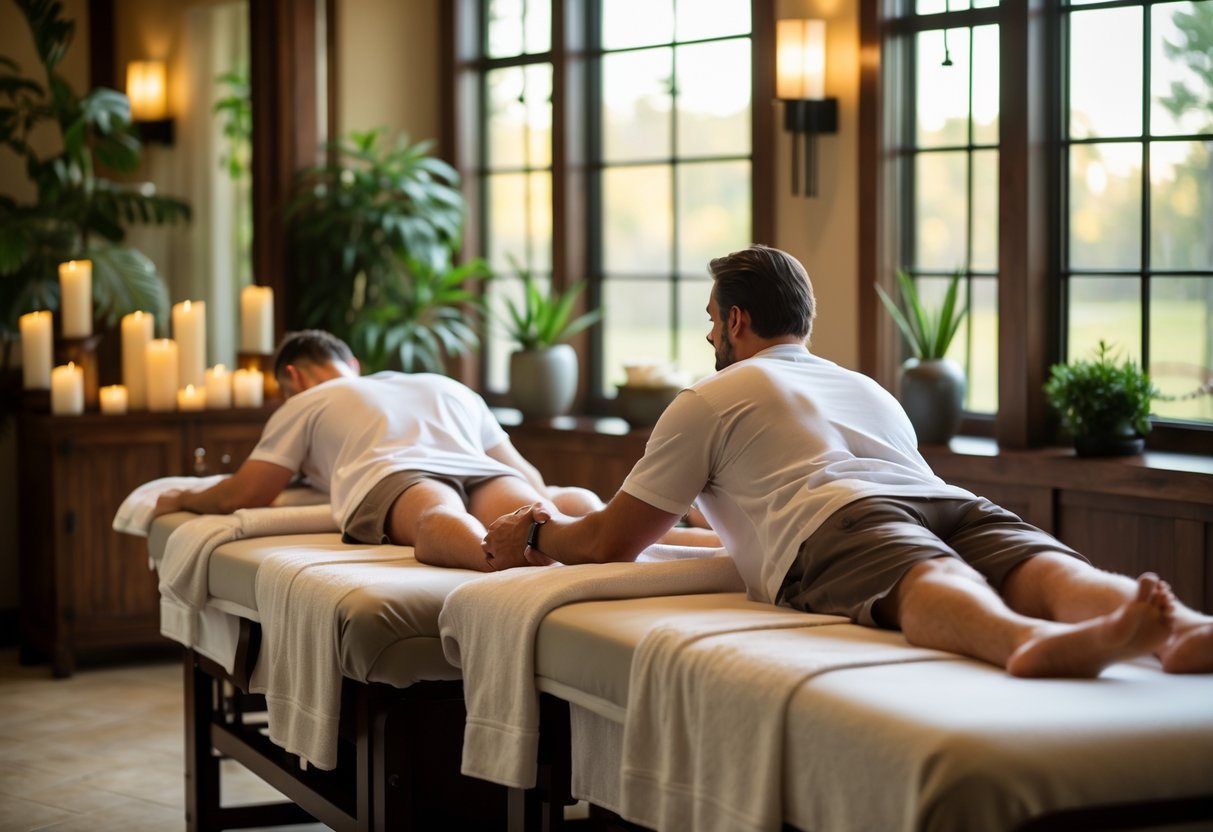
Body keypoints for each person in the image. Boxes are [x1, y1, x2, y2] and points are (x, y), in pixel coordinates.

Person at [482, 244, 1213, 678]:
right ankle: (1174, 624)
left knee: (928, 575)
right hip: (945, 497)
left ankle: (1023, 643)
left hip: (838, 518)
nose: (710, 333)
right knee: (1044, 567)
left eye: (711, 319)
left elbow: (612, 540)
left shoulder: (709, 396)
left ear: (734, 321)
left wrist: (537, 531)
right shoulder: (861, 385)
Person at [152, 329, 600, 571]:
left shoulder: (307, 401)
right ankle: (582, 531)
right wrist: (547, 501)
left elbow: (243, 494)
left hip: (396, 475)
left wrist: (185, 498)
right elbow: (529, 476)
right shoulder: (442, 385)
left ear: (295, 378)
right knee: (532, 505)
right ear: (353, 366)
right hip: (480, 469)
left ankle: (489, 556)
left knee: (435, 515)